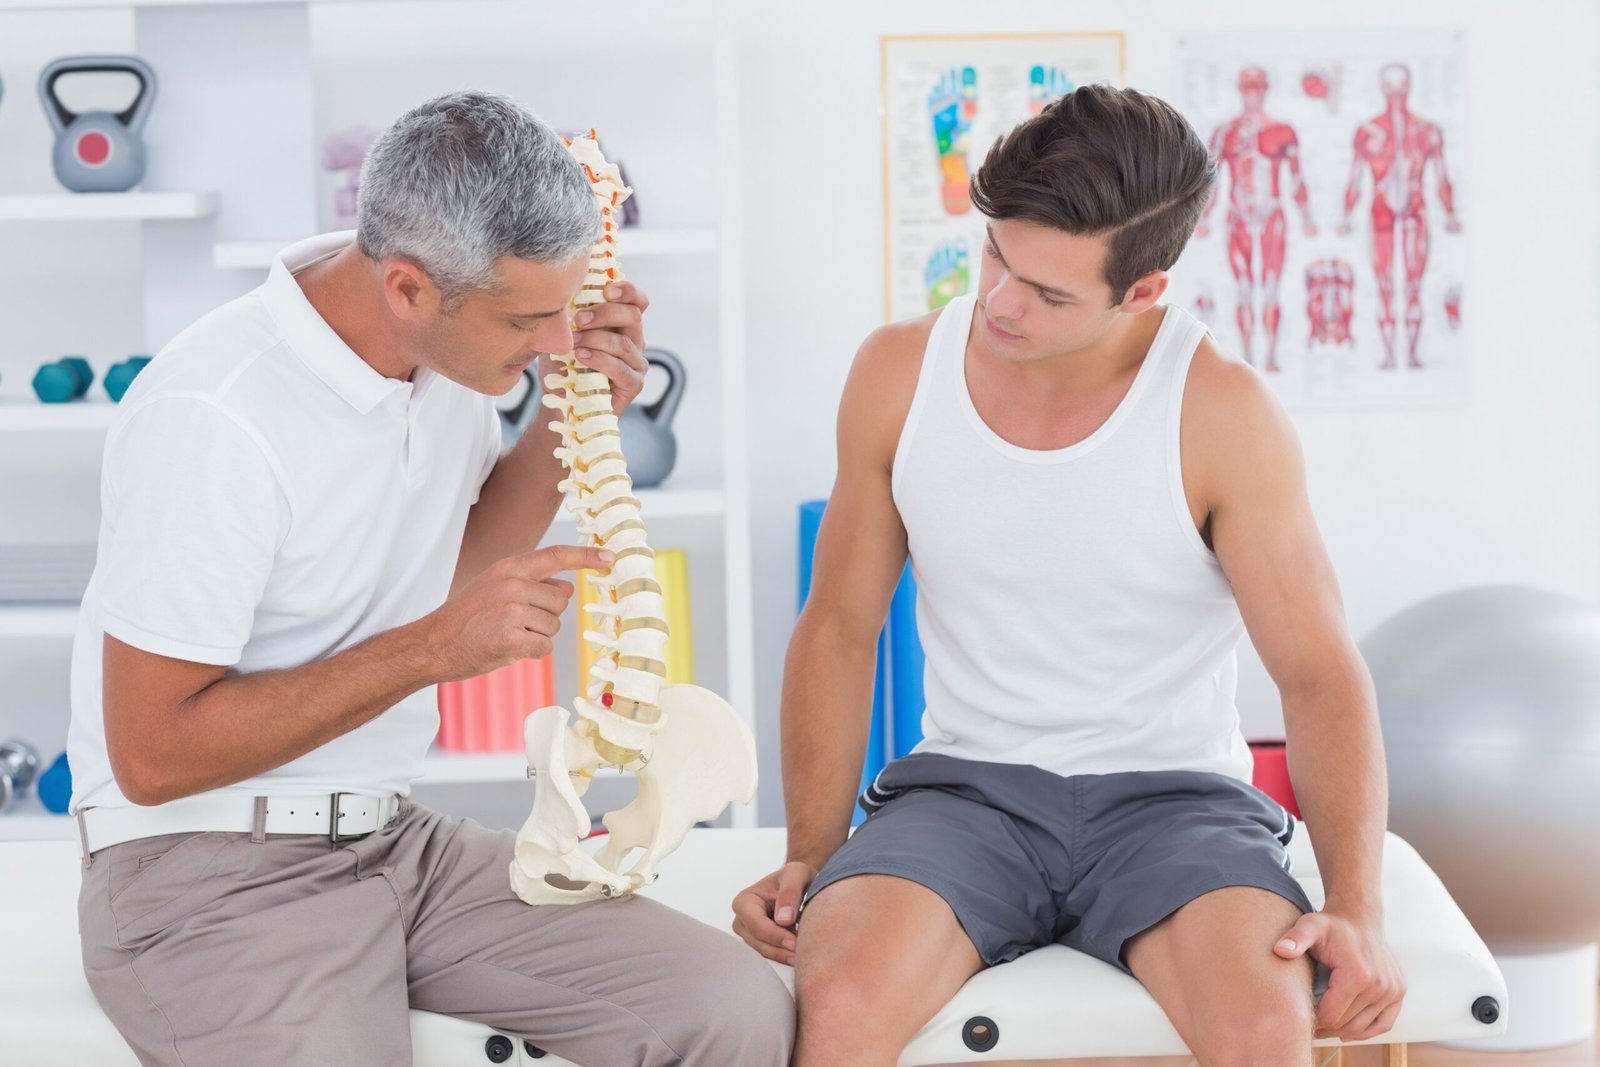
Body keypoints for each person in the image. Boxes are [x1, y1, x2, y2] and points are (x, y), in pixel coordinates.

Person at [68, 91, 793, 1067]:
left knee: (730, 1007)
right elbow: (152, 750)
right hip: (205, 874)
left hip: (392, 839)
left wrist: (563, 417)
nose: (551, 343)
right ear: (408, 288)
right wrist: (431, 650)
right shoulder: (217, 416)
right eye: (530, 320)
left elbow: (442, 565)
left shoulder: (443, 348)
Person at [733, 84, 1402, 1067]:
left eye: (1047, 293)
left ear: (1142, 291)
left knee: (1266, 1023)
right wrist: (808, 844)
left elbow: (1317, 670)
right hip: (965, 794)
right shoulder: (894, 375)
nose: (1000, 302)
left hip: (1174, 802)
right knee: (836, 1000)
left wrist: (1357, 903)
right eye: (995, 254)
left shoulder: (1220, 411)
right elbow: (838, 623)